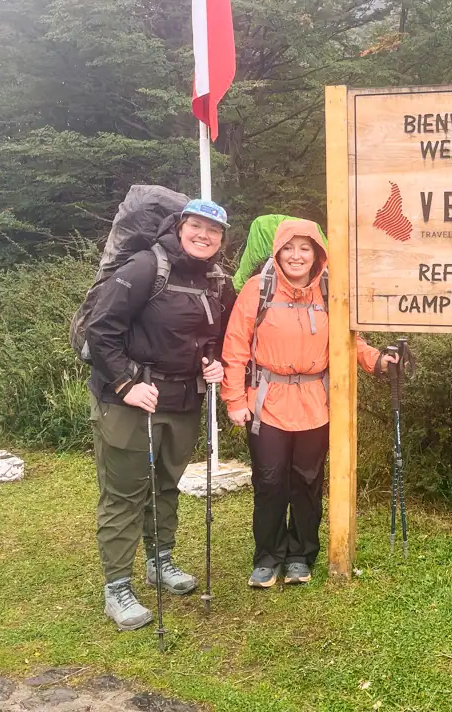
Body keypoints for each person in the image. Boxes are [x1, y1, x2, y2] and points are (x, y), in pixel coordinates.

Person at [221, 219, 396, 588]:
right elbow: (235, 347)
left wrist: (378, 361)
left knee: (307, 481)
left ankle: (301, 555)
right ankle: (267, 558)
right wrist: (234, 398)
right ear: (278, 251)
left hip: (316, 403)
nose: (296, 256)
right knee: (269, 482)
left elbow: (351, 343)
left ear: (318, 253)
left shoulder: (331, 291)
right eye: (289, 248)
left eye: (305, 248)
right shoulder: (258, 289)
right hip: (266, 402)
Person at [86, 198, 235, 630]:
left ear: (222, 239)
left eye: (214, 231)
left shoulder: (216, 280)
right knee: (125, 493)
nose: (204, 236)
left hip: (184, 401)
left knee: (166, 484)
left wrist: (216, 361)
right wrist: (125, 385)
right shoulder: (145, 268)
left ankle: (159, 561)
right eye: (197, 226)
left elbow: (222, 334)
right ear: (180, 225)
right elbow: (100, 329)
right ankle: (117, 587)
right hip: (131, 401)